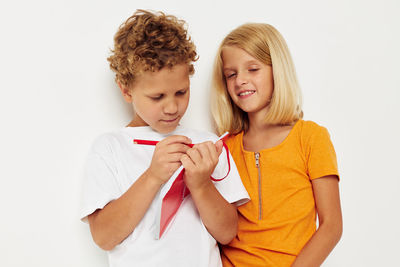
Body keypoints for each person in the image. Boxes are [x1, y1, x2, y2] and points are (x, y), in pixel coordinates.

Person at [80, 10, 249, 267]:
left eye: (181, 92)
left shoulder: (208, 145)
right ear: (126, 90)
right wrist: (153, 176)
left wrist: (201, 184)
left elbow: (227, 233)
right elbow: (104, 237)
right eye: (157, 97)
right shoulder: (109, 148)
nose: (172, 107)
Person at [211, 23, 343, 267]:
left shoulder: (311, 137)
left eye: (253, 69)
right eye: (231, 74)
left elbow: (331, 226)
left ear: (277, 71)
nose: (240, 80)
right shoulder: (224, 148)